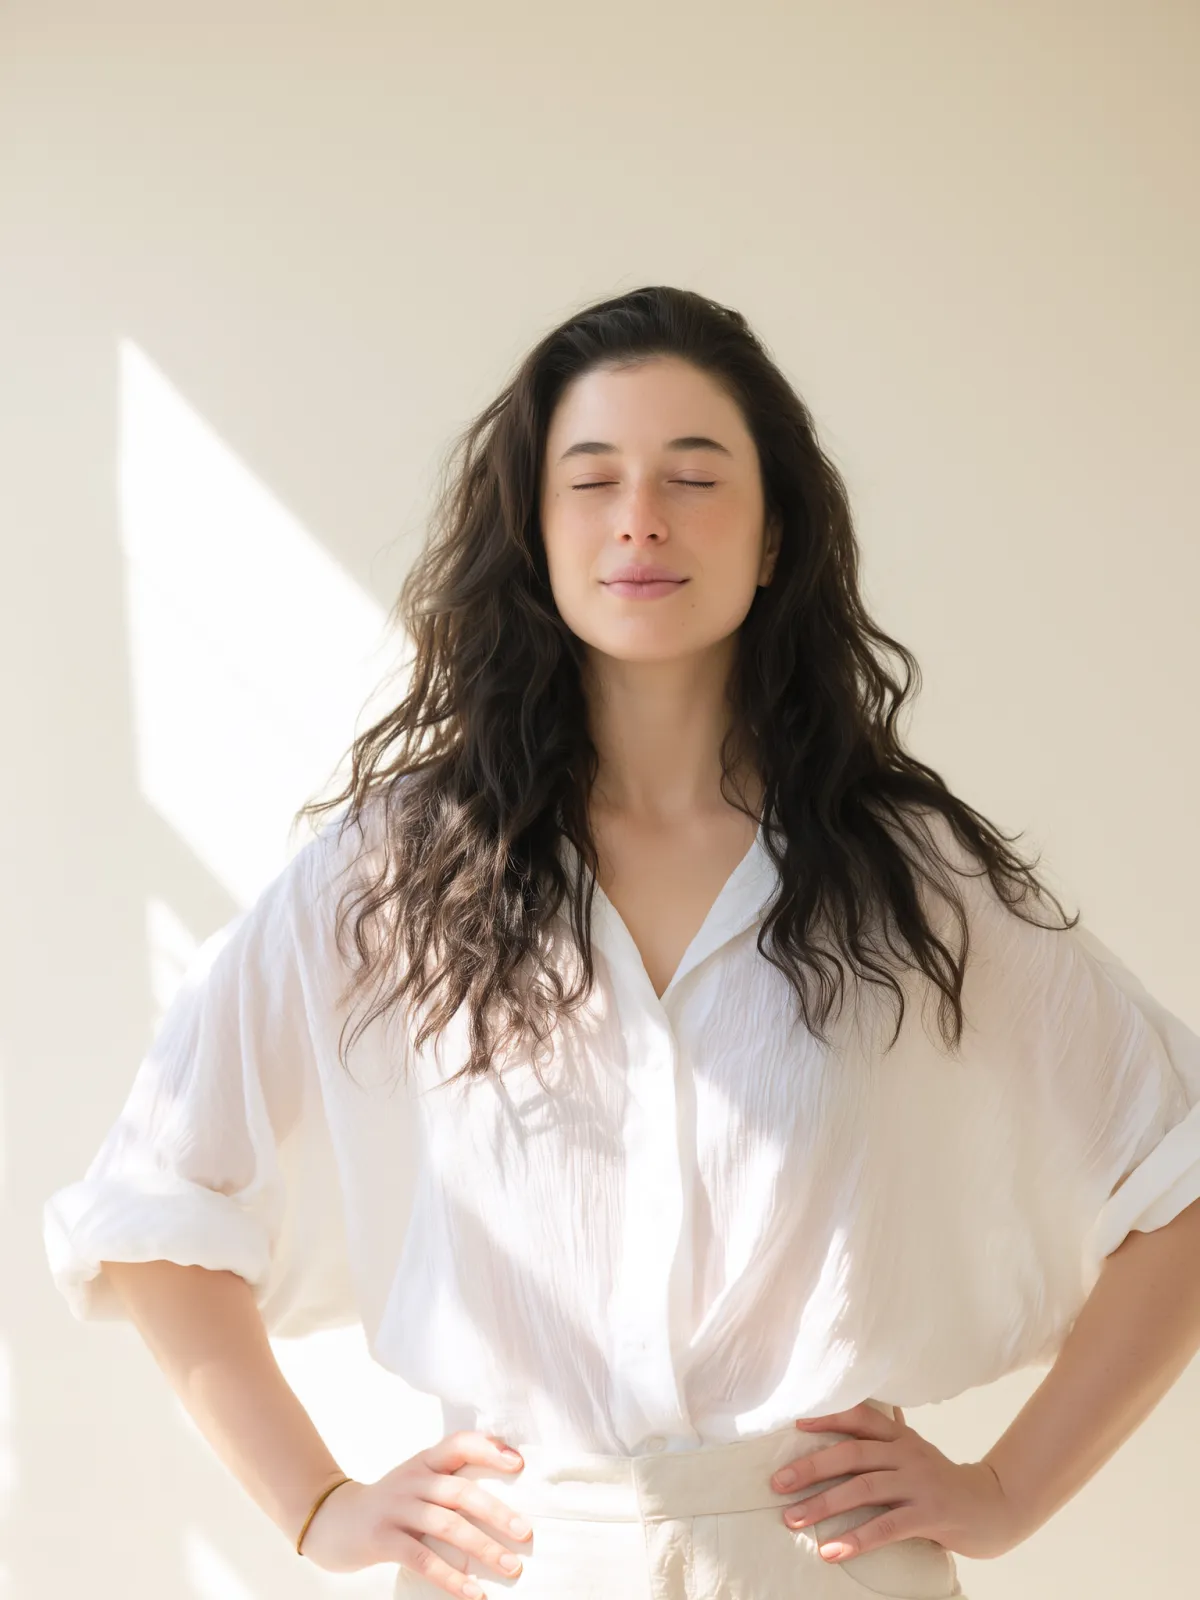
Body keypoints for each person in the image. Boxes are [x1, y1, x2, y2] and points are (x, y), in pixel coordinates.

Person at [44, 285, 1200, 1600]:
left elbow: (1182, 1177)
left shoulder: (905, 875)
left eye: (695, 477)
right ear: (533, 534)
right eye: (591, 480)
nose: (641, 517)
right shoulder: (399, 871)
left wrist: (1007, 1489)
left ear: (775, 537)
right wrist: (318, 1505)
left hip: (819, 1561)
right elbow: (152, 1204)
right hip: (520, 1565)